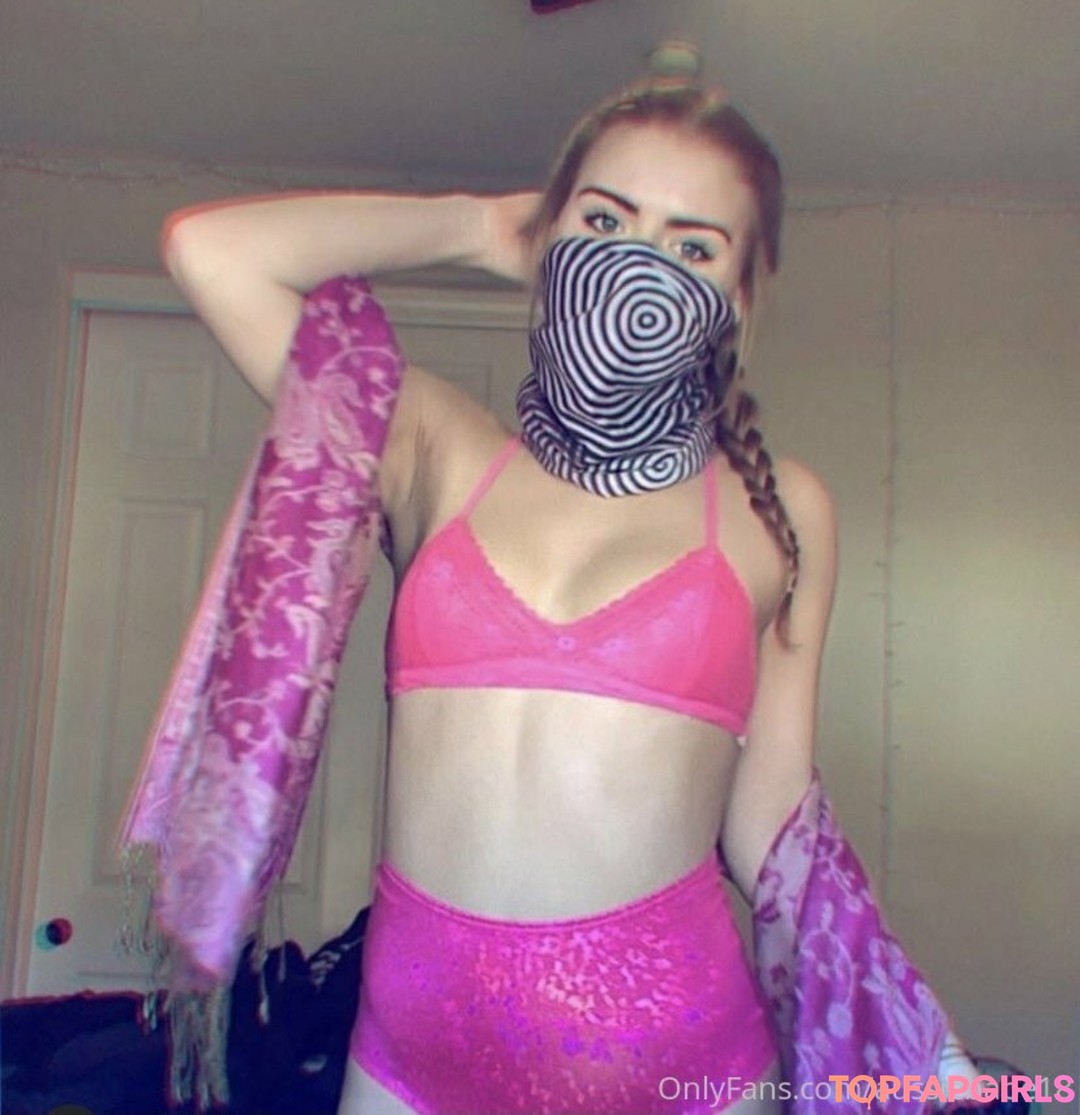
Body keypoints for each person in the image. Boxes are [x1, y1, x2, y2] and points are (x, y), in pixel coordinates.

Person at [154, 81, 877, 1115]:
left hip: (683, 1069)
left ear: (741, 298)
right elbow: (211, 254)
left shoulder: (778, 508)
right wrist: (477, 228)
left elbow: (771, 823)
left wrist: (894, 1028)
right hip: (406, 1059)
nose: (639, 264)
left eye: (693, 245)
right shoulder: (434, 445)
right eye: (605, 221)